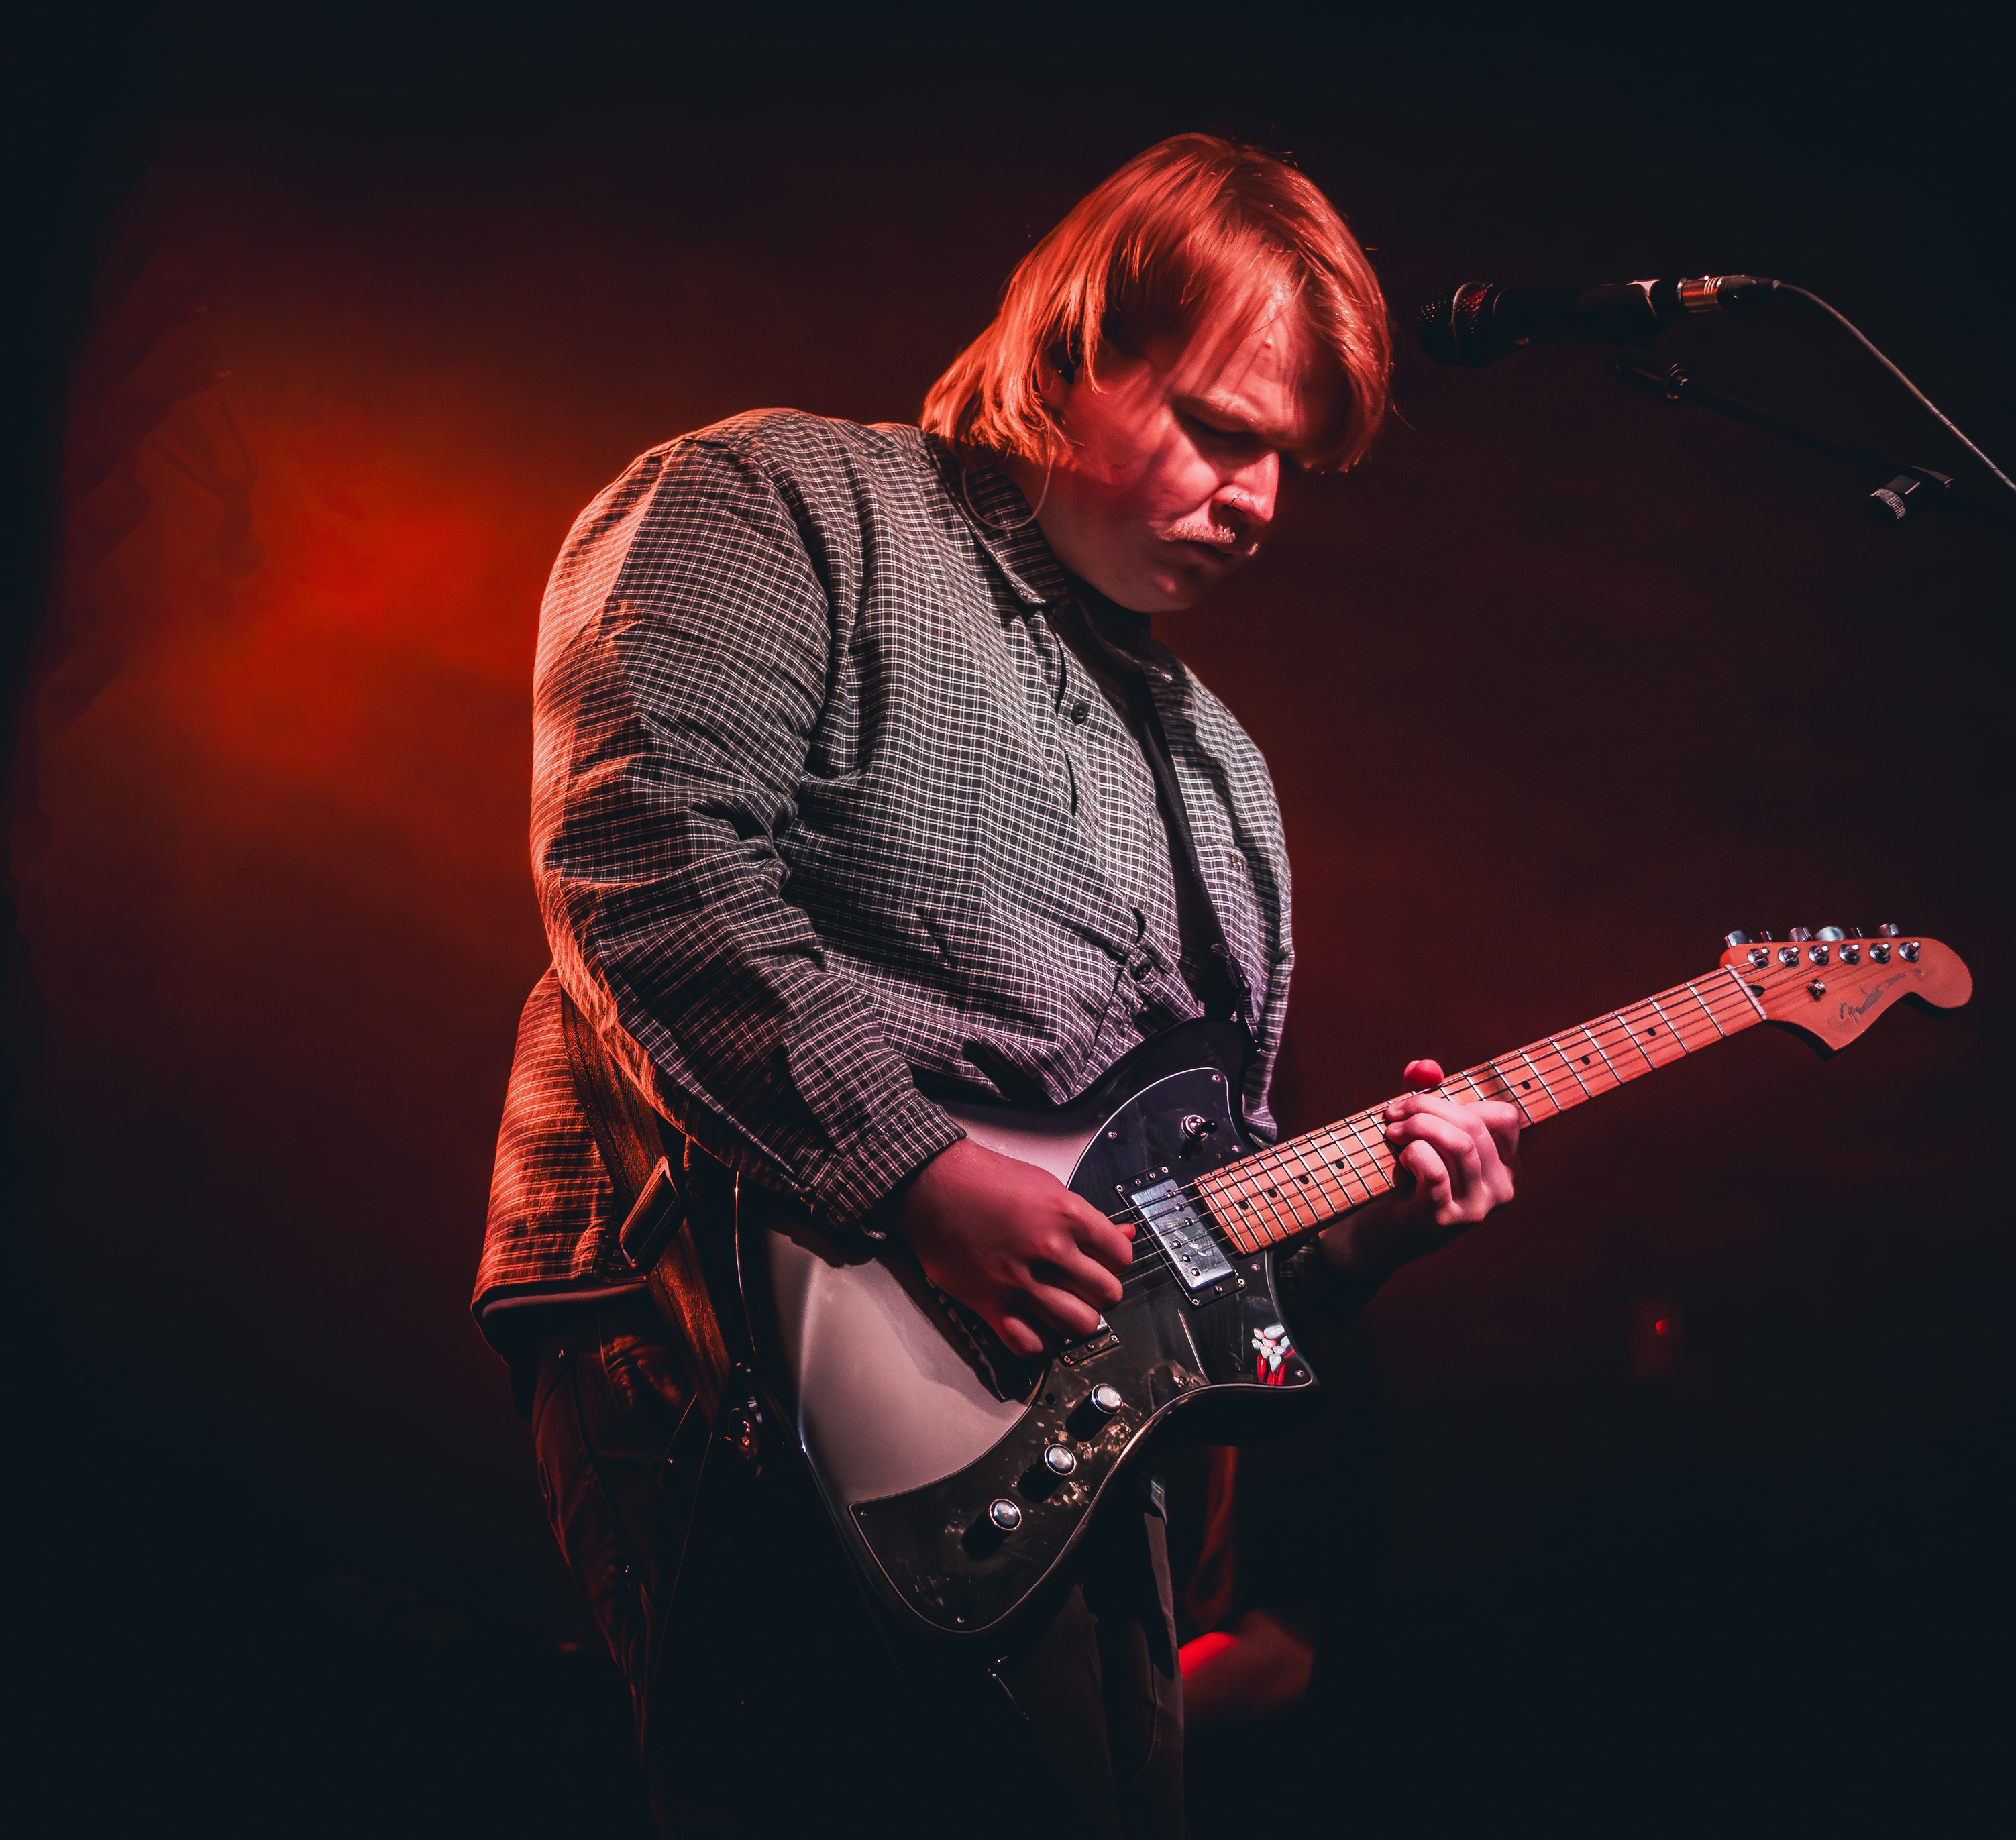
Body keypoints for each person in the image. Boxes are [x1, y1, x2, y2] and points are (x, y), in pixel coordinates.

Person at [473, 134, 1521, 1837]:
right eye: (1221, 429)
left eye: (1292, 464)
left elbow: (1181, 1226)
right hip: (723, 1321)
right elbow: (646, 857)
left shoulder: (1227, 776)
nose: (1259, 502)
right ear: (1075, 343)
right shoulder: (784, 501)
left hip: (1066, 1447)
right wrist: (916, 1173)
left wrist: (1365, 1234)